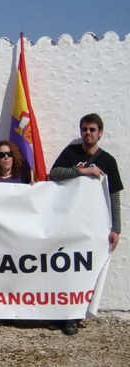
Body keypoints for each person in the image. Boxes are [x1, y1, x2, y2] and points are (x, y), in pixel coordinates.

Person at [49, 113, 124, 336]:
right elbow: (54, 174)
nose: (87, 133)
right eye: (84, 129)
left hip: (92, 226)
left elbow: (114, 195)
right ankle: (60, 313)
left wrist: (116, 229)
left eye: (92, 129)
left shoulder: (108, 160)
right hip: (67, 222)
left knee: (83, 270)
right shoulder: (71, 153)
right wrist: (82, 171)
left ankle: (74, 315)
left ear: (100, 132)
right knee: (63, 267)